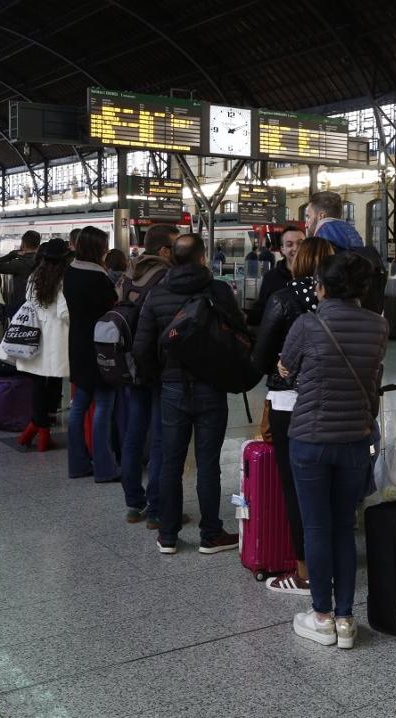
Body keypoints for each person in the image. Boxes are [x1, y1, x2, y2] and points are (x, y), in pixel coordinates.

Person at [277, 251, 389, 648]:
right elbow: (375, 374)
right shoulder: (379, 326)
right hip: (356, 440)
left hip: (309, 440)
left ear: (321, 287)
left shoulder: (308, 323)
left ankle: (320, 615)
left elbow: (285, 367)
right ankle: (345, 618)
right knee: (344, 526)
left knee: (316, 528)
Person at [135, 233, 245, 555]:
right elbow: (240, 333)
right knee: (209, 464)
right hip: (211, 388)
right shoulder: (219, 291)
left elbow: (142, 346)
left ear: (173, 258)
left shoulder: (157, 294)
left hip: (171, 388)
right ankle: (210, 534)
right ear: (202, 258)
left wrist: (157, 377)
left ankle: (168, 535)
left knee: (171, 461)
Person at [252, 237, 336, 594]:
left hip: (289, 401)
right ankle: (334, 563)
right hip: (336, 399)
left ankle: (304, 570)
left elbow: (262, 355)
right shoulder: (345, 303)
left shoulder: (284, 299)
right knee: (332, 488)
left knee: (297, 486)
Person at [119, 225, 178, 527]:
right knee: (159, 439)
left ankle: (133, 504)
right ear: (165, 251)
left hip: (130, 365)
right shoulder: (165, 277)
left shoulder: (128, 274)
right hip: (157, 366)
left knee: (133, 435)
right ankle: (156, 509)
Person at [2, 239, 72, 453]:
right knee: (52, 381)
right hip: (56, 338)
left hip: (34, 336)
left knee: (38, 382)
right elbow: (64, 312)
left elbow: (29, 302)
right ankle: (43, 426)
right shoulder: (63, 278)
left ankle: (39, 428)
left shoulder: (35, 276)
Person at [63, 226, 119, 480]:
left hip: (77, 344)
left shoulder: (71, 271)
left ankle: (77, 464)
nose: (106, 250)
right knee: (104, 405)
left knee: (79, 406)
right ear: (97, 248)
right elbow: (111, 308)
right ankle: (105, 468)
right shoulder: (98, 277)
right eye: (104, 246)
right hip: (100, 346)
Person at [303, 191, 386, 314]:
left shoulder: (321, 249)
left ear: (321, 216)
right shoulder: (361, 251)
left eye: (308, 217)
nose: (306, 224)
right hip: (365, 321)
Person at [249, 226, 304, 326]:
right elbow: (262, 310)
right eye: (289, 244)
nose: (295, 248)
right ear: (282, 249)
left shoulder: (316, 275)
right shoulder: (271, 277)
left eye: (300, 243)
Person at [0, 230, 40, 315]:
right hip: (37, 305)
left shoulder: (18, 264)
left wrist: (13, 254)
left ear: (23, 244)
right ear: (38, 245)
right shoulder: (43, 262)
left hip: (19, 306)